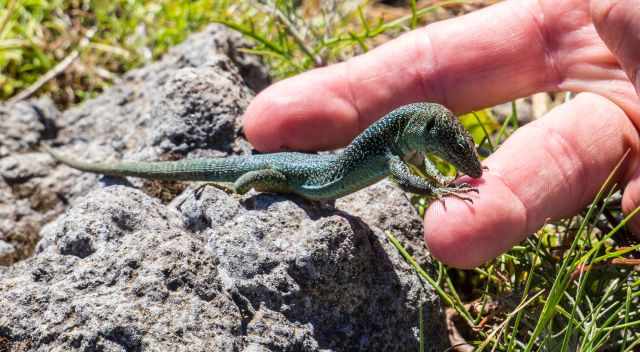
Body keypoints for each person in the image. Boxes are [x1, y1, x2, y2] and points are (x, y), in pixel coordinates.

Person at [242, 0, 640, 268]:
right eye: (454, 147)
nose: (464, 158)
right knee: (253, 178)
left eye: (462, 147)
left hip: (317, 173)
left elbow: (419, 163)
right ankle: (231, 183)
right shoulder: (387, 154)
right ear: (423, 129)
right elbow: (401, 174)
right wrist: (435, 191)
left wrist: (439, 178)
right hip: (296, 177)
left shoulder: (406, 146)